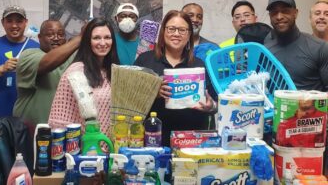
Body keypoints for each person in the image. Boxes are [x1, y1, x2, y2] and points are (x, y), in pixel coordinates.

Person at [134, 10, 217, 146]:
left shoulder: (199, 65)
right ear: (163, 32)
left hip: (191, 140)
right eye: (171, 29)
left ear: (189, 34)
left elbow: (216, 103)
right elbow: (131, 98)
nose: (176, 34)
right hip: (153, 138)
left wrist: (210, 106)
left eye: (182, 30)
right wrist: (153, 93)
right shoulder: (145, 60)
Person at [48, 18, 120, 135]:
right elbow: (60, 121)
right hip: (83, 147)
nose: (103, 43)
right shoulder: (75, 72)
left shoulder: (114, 71)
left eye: (107, 37)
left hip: (113, 147)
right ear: (87, 41)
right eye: (96, 38)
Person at [13, 19, 82, 129]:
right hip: (29, 131)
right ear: (39, 37)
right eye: (50, 34)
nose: (56, 38)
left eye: (60, 34)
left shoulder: (72, 56)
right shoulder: (27, 55)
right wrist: (80, 38)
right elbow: (47, 63)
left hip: (62, 131)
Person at [0, 6, 39, 118]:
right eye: (9, 21)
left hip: (30, 117)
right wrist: (1, 69)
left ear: (26, 22)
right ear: (3, 22)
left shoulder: (36, 48)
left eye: (19, 21)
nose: (14, 25)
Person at [264, 0, 328, 92]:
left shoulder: (319, 48)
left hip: (309, 107)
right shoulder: (265, 52)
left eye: (285, 11)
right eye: (274, 12)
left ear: (295, 13)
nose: (279, 16)